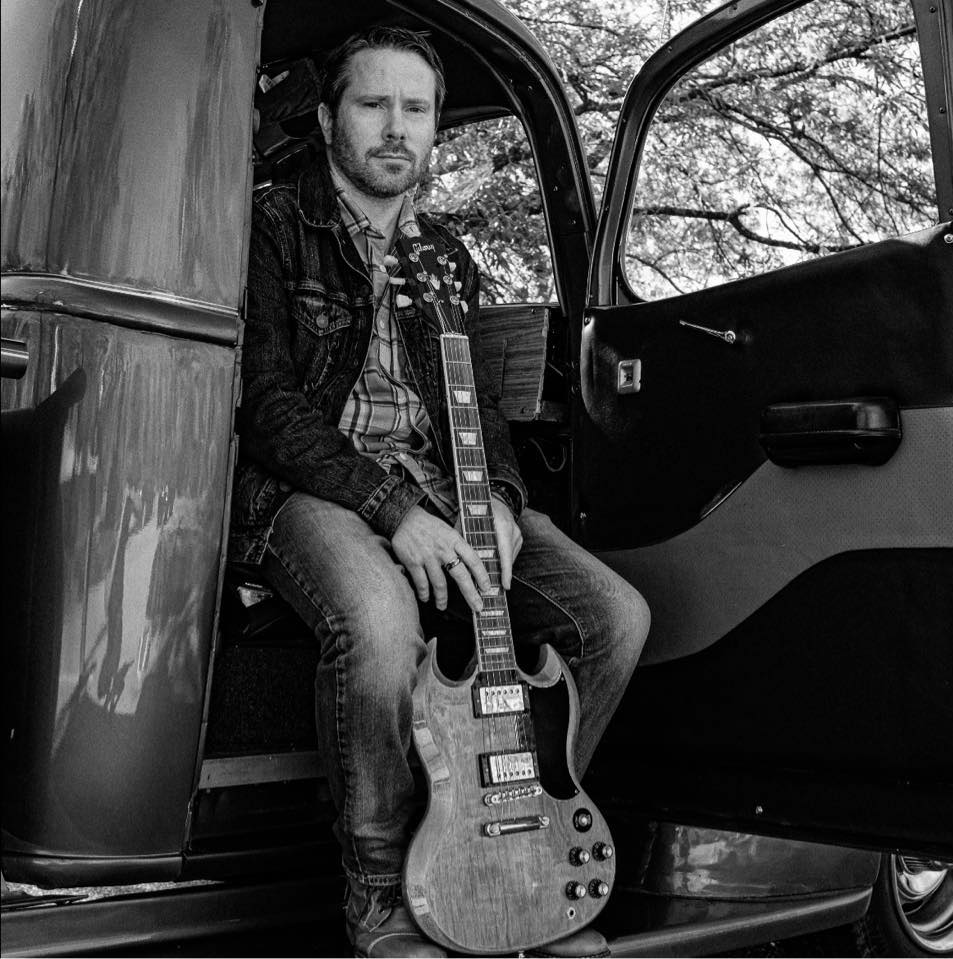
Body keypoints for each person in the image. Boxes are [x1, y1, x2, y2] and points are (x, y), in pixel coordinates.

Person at [230, 26, 650, 959]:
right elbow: (266, 403)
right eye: (373, 103)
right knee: (381, 623)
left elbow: (483, 416)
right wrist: (394, 513)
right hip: (313, 488)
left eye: (414, 109)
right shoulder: (269, 224)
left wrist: (496, 500)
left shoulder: (444, 257)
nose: (395, 127)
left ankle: (501, 845)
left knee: (613, 617)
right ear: (332, 116)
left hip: (446, 483)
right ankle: (380, 897)